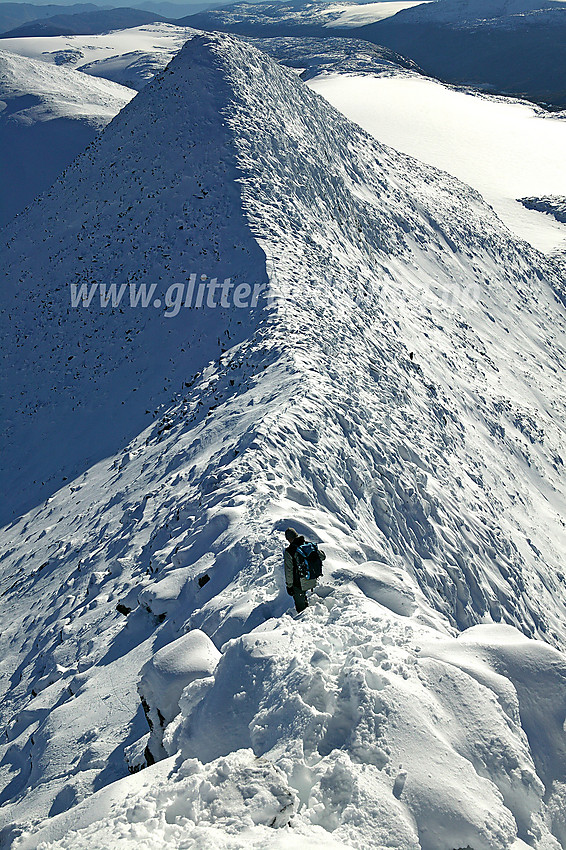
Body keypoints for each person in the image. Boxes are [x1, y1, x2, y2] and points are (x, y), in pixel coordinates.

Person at [284, 527, 324, 613]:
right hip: (312, 578)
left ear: (289, 539)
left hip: (299, 584)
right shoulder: (309, 545)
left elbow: (289, 571)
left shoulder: (289, 551)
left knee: (301, 609)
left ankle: (305, 620)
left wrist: (289, 586)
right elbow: (322, 557)